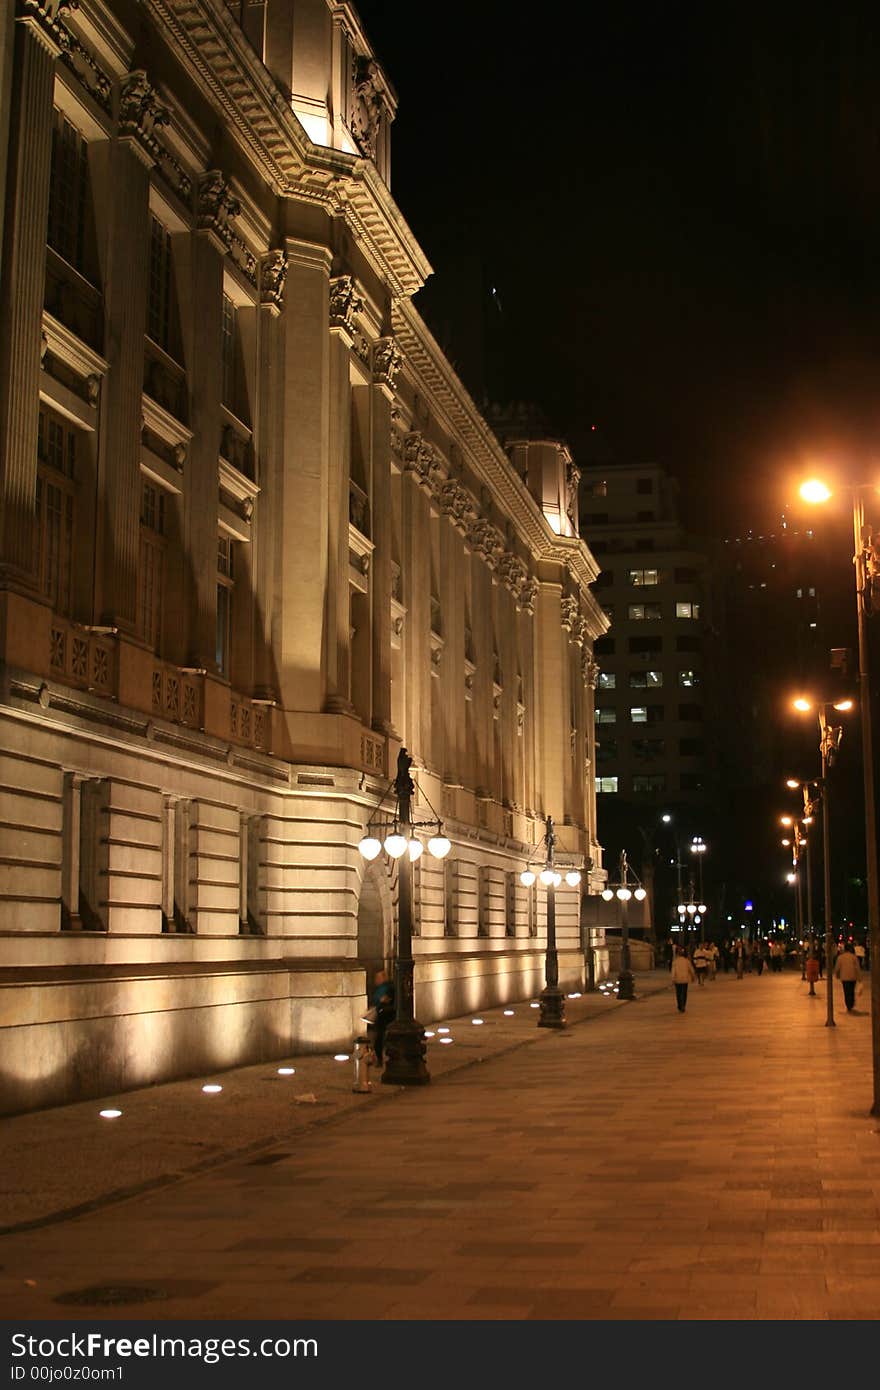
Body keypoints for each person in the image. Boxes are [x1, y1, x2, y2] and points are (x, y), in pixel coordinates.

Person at [369, 968, 395, 1063]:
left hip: (386, 1016)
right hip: (381, 1016)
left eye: (378, 978)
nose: (376, 980)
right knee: (379, 1038)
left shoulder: (388, 988)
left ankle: (380, 1058)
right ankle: (379, 1057)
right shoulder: (380, 988)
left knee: (381, 1038)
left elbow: (384, 1001)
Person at [834, 942, 861, 1013]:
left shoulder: (840, 957)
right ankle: (851, 1004)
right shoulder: (854, 957)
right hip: (853, 977)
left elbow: (837, 968)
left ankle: (848, 1005)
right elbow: (857, 968)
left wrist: (837, 975)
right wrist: (859, 977)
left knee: (846, 991)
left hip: (844, 977)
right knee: (852, 991)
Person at [671, 945, 697, 1012]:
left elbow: (673, 971)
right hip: (685, 979)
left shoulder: (675, 962)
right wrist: (693, 976)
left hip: (677, 979)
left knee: (678, 993)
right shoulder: (687, 961)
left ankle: (679, 1005)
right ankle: (683, 1005)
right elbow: (691, 969)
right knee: (684, 992)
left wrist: (673, 979)